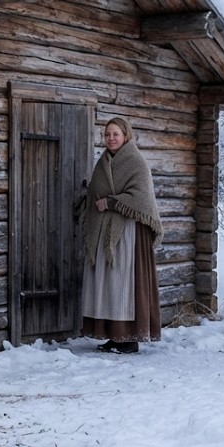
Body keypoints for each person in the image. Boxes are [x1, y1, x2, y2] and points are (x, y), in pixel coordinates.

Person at [78, 116, 163, 354]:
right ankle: (115, 336)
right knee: (109, 284)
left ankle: (129, 337)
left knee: (125, 283)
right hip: (105, 235)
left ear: (125, 135)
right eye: (107, 135)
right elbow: (95, 193)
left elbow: (142, 199)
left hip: (129, 234)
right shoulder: (103, 162)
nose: (111, 139)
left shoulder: (135, 161)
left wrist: (112, 203)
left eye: (115, 134)